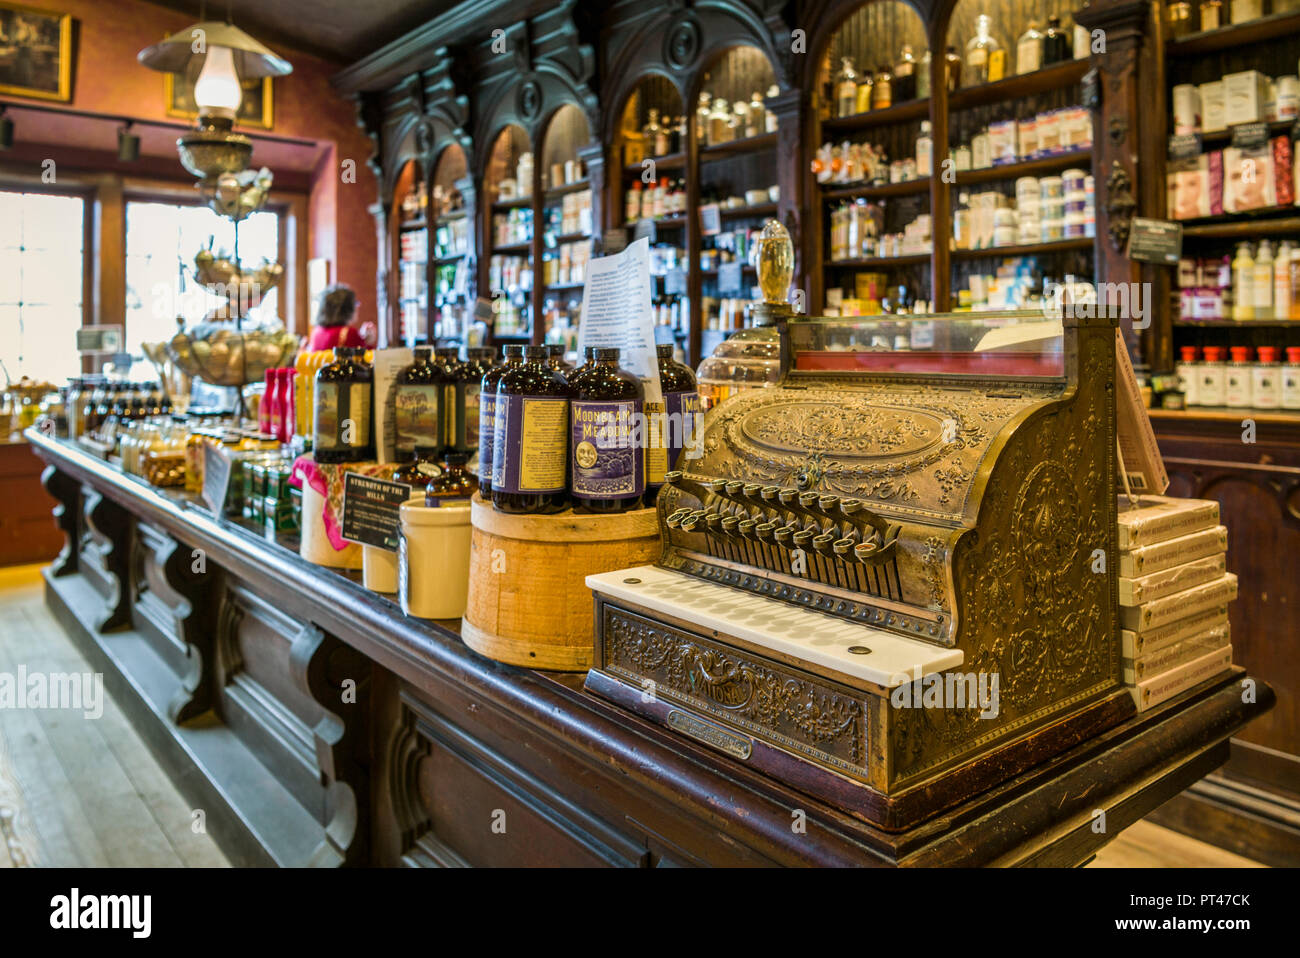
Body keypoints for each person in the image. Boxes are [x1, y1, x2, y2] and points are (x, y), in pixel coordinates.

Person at [307, 285, 365, 351]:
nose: (358, 307)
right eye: (355, 303)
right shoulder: (349, 333)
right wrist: (367, 342)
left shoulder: (317, 331)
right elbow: (364, 358)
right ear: (346, 309)